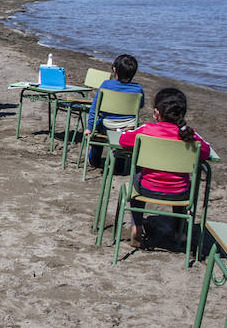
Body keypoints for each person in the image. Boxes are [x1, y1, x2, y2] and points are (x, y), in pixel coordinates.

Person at [117, 87, 212, 249]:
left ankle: (137, 225)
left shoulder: (146, 130)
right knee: (184, 181)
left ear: (156, 113)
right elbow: (206, 151)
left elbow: (123, 140)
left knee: (137, 174)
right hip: (180, 193)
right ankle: (179, 232)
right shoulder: (190, 136)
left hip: (147, 188)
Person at [86, 53, 144, 167]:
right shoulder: (138, 89)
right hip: (128, 127)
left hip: (108, 125)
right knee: (124, 129)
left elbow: (95, 108)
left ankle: (94, 160)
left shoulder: (106, 85)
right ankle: (119, 163)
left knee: (98, 126)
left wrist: (89, 128)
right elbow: (140, 106)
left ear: (114, 69)